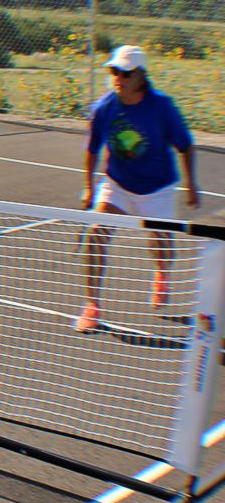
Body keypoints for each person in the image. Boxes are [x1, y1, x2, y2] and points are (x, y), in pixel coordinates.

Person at [75, 45, 200, 333]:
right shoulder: (104, 108)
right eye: (114, 71)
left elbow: (185, 146)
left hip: (157, 188)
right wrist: (88, 188)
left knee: (160, 242)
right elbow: (92, 150)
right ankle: (92, 305)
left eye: (126, 73)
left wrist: (191, 184)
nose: (118, 78)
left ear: (141, 75)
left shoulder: (162, 107)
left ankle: (162, 274)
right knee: (96, 234)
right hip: (118, 183)